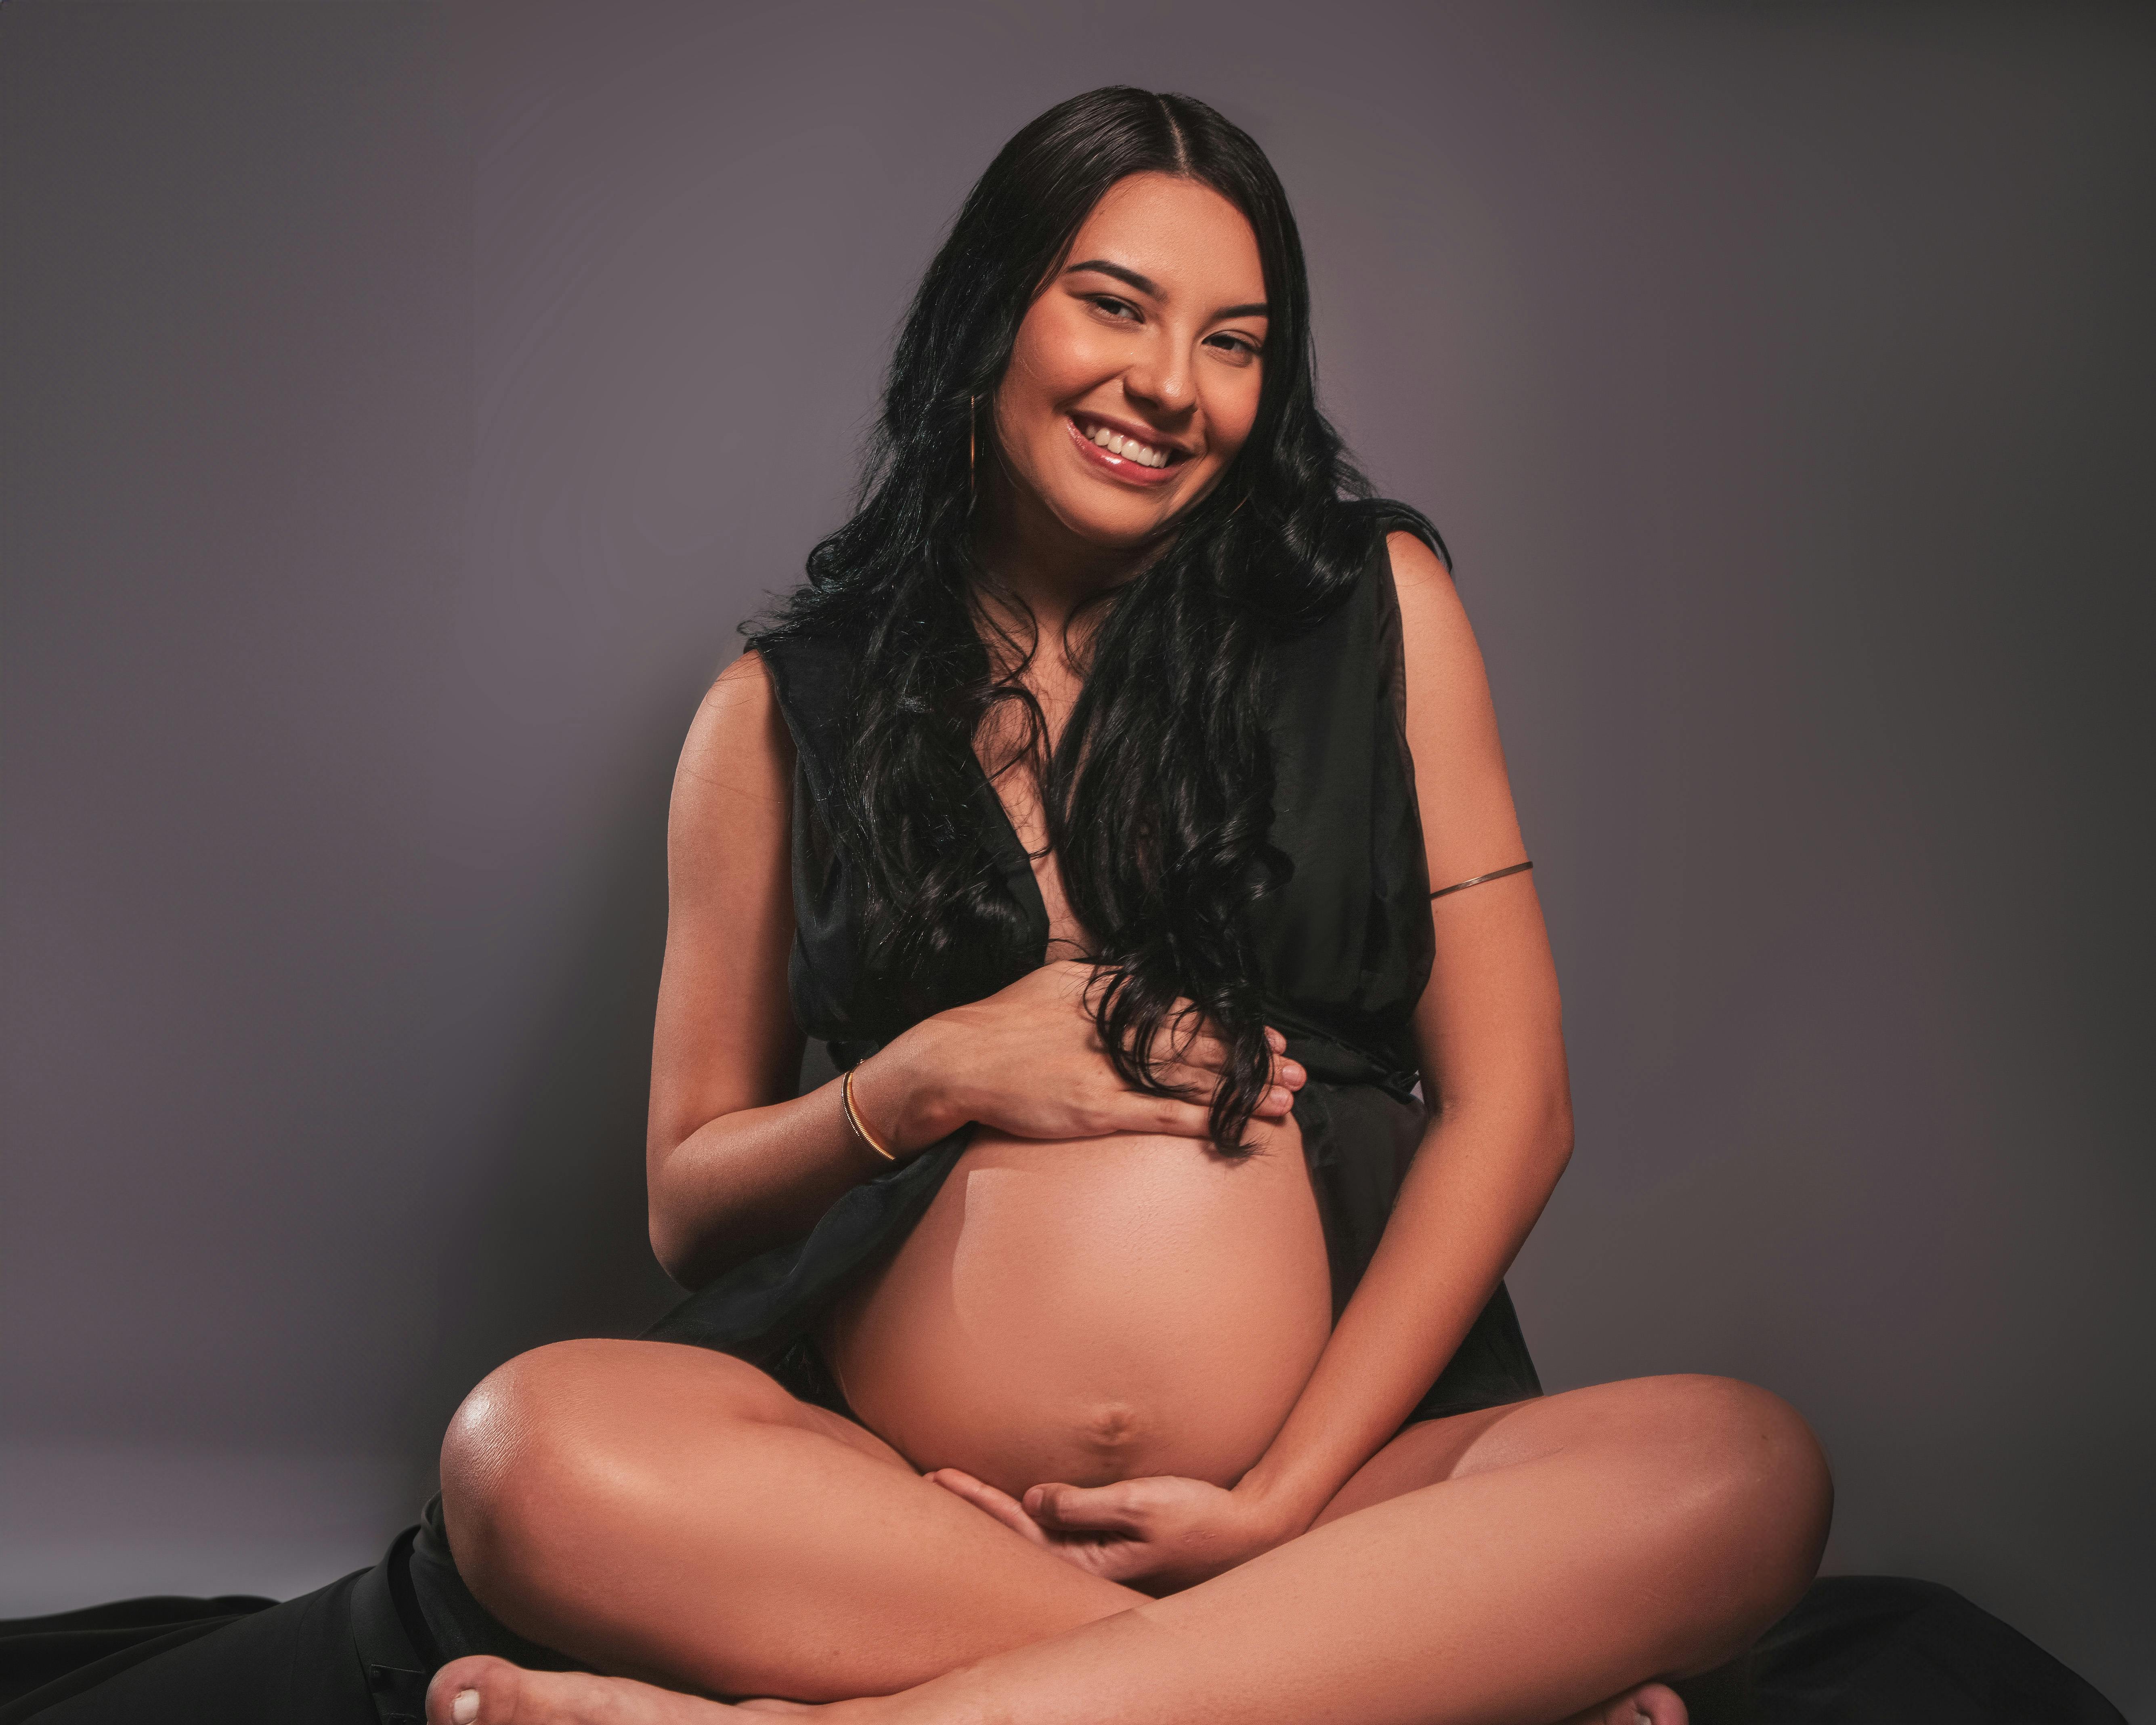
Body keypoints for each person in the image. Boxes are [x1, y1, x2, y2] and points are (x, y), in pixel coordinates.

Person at [404, 87, 1832, 1725]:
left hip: (1330, 1499)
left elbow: (1516, 1105)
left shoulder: (1378, 609)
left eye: (1237, 341)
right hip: (905, 1509)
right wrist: (927, 1075)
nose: (1171, 384)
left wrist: (1281, 1500)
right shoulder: (777, 706)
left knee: (1741, 1469)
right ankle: (1389, 1687)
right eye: (1115, 305)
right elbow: (689, 1201)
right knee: (525, 1451)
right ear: (990, 313)